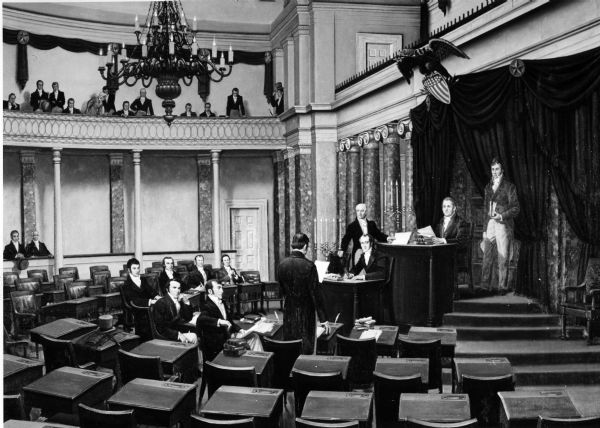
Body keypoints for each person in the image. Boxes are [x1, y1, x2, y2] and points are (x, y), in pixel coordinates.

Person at [278, 233, 329, 354]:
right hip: (306, 312)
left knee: (290, 344)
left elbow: (281, 291)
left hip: (289, 310)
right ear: (305, 246)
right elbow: (316, 294)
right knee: (306, 346)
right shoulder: (309, 266)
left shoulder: (282, 265)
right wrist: (323, 319)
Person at [480, 158, 520, 294]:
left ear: (502, 170)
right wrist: (485, 230)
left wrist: (501, 216)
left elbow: (516, 208)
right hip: (490, 223)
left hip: (503, 224)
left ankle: (502, 287)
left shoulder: (509, 187)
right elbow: (486, 209)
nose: (495, 172)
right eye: (492, 169)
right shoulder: (487, 187)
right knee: (487, 255)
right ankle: (485, 287)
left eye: (497, 169)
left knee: (503, 256)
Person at [196, 279, 242, 361]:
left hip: (227, 336)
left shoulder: (222, 302)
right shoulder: (206, 305)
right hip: (216, 343)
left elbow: (230, 321)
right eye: (219, 288)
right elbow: (201, 319)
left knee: (254, 337)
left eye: (221, 288)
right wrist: (220, 321)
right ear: (210, 291)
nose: (222, 291)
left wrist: (240, 330)